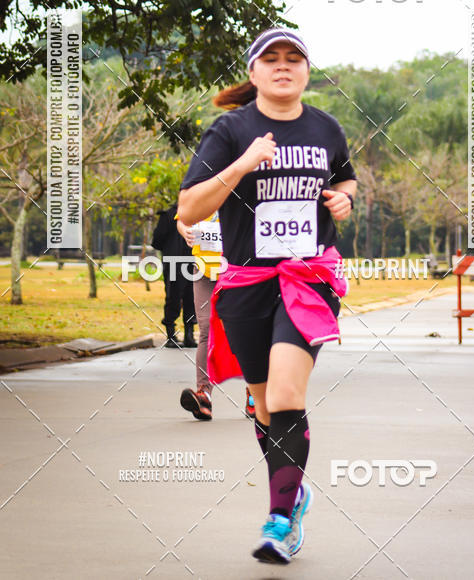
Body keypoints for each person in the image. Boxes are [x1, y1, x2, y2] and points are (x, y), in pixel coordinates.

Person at [177, 27, 357, 564]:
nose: (283, 66)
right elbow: (189, 209)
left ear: (307, 71)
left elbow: (346, 179)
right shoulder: (231, 130)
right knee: (262, 406)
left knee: (283, 393)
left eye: (293, 59)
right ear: (253, 71)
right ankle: (294, 491)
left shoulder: (326, 128)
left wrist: (344, 199)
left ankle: (280, 521)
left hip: (308, 279)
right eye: (271, 58)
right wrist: (243, 164)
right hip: (246, 284)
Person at [177, 212, 256, 421]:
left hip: (238, 270)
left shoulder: (240, 193)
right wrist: (185, 230)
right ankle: (204, 395)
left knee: (245, 330)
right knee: (206, 330)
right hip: (204, 272)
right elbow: (183, 217)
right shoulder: (199, 192)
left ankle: (255, 391)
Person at [151, 202, 197, 348]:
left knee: (174, 298)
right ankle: (185, 335)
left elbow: (157, 241)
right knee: (188, 298)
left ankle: (175, 336)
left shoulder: (168, 215)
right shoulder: (196, 214)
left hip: (176, 263)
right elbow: (157, 241)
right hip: (189, 262)